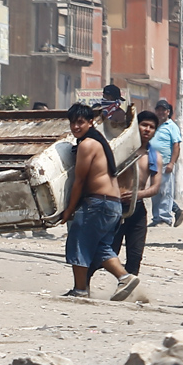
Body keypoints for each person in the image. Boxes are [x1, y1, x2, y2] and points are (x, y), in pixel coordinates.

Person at [60, 103, 140, 300]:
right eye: (72, 123)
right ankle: (125, 278)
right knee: (99, 248)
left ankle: (80, 290)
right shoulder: (99, 141)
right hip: (112, 205)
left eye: (80, 122)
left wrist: (69, 209)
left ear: (90, 122)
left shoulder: (87, 144)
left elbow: (79, 180)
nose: (76, 127)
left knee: (77, 242)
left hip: (98, 203)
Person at [86, 110, 162, 283]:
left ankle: (129, 290)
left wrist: (138, 194)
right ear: (136, 126)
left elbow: (156, 187)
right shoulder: (121, 149)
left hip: (137, 209)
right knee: (105, 251)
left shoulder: (154, 156)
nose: (147, 130)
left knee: (135, 256)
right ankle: (83, 285)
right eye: (144, 125)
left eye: (152, 127)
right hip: (114, 207)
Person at [150, 100, 183, 227]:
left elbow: (176, 146)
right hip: (152, 163)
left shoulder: (172, 126)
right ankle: (156, 218)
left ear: (168, 112)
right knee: (154, 191)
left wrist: (172, 163)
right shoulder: (154, 125)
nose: (160, 112)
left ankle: (165, 218)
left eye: (163, 110)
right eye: (158, 110)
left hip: (165, 164)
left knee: (165, 191)